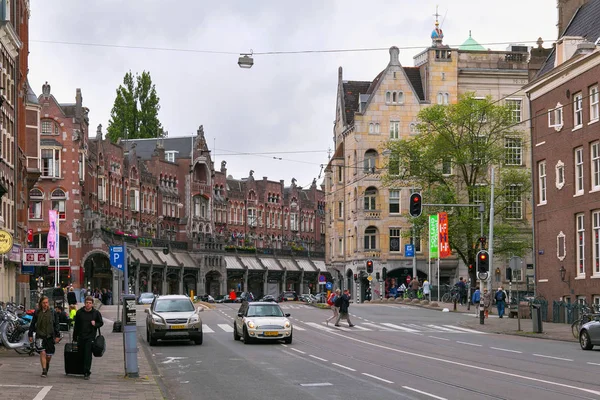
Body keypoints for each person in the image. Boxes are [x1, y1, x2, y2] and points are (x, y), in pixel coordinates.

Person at [28, 296, 61, 378]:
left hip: (50, 336)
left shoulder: (52, 312)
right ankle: (44, 370)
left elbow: (56, 324)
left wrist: (57, 335)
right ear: (41, 303)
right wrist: (30, 334)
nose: (45, 304)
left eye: (46, 302)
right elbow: (32, 324)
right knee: (42, 352)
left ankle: (47, 363)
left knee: (49, 356)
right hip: (40, 335)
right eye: (44, 303)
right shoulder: (37, 312)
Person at [73, 296, 104, 380]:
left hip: (90, 337)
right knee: (81, 354)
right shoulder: (80, 312)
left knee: (88, 355)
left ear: (92, 304)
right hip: (81, 336)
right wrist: (74, 337)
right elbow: (76, 325)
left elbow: (101, 323)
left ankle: (87, 371)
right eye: (87, 303)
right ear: (84, 303)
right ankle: (81, 369)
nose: (88, 305)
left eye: (90, 303)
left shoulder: (96, 313)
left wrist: (95, 324)